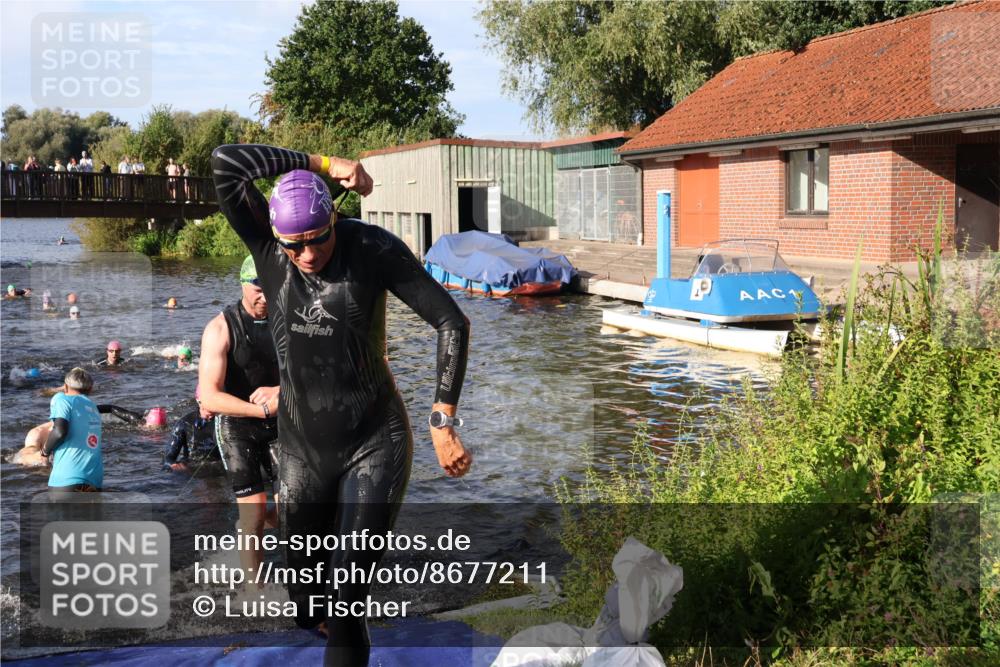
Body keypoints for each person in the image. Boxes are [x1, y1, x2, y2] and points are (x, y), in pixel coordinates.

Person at [211, 143, 471, 664]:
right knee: (308, 600)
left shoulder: (372, 250)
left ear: (334, 216)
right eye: (295, 244)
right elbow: (225, 163)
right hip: (302, 450)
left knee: (348, 598)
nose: (308, 254)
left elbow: (451, 322)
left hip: (374, 441)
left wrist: (443, 419)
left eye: (318, 237)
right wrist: (326, 164)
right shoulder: (266, 248)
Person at [198, 255, 281, 588]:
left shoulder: (286, 318)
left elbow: (313, 370)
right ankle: (255, 589)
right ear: (243, 284)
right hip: (236, 425)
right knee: (253, 511)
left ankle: (253, 529)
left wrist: (280, 391)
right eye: (257, 289)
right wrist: (261, 410)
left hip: (279, 419)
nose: (264, 297)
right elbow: (209, 397)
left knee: (299, 505)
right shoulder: (220, 328)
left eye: (270, 289)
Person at [43, 368, 103, 493]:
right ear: (90, 389)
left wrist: (45, 452)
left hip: (67, 480)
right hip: (94, 481)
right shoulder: (93, 408)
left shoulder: (61, 399)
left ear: (65, 386)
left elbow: (59, 432)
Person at [164, 392, 220, 472]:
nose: (211, 405)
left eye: (215, 402)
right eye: (208, 401)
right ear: (198, 401)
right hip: (191, 469)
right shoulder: (184, 423)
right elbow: (168, 458)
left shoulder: (227, 423)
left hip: (219, 470)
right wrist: (174, 465)